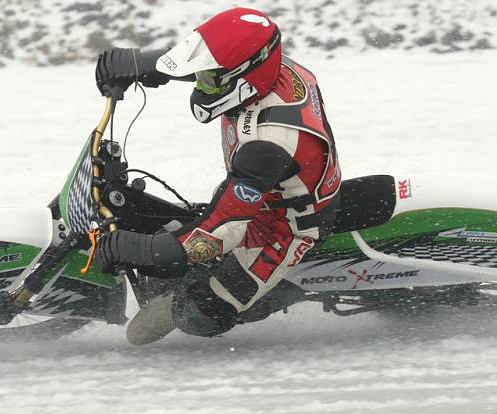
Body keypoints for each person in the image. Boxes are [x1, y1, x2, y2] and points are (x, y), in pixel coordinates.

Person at [94, 7, 341, 345]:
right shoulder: (272, 67)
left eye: (207, 78)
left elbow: (221, 230)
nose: (200, 84)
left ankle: (260, 298)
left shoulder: (267, 142)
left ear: (243, 78)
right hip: (268, 187)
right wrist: (144, 64)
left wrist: (146, 250)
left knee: (198, 312)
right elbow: (218, 65)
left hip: (285, 228)